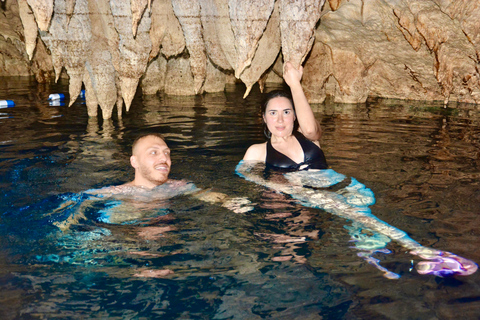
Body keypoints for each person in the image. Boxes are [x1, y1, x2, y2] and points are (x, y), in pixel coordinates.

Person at [54, 133, 252, 231]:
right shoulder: (119, 192)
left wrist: (228, 201)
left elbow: (206, 194)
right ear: (134, 162)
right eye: (153, 153)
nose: (164, 158)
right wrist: (67, 223)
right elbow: (79, 200)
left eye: (166, 153)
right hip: (117, 236)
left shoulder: (176, 187)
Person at [243, 61, 327, 171]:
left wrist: (295, 84)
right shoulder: (257, 152)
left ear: (295, 115)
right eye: (273, 113)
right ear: (264, 117)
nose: (280, 120)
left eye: (286, 112)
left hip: (339, 187)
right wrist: (272, 185)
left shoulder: (307, 136)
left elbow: (310, 130)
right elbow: (243, 179)